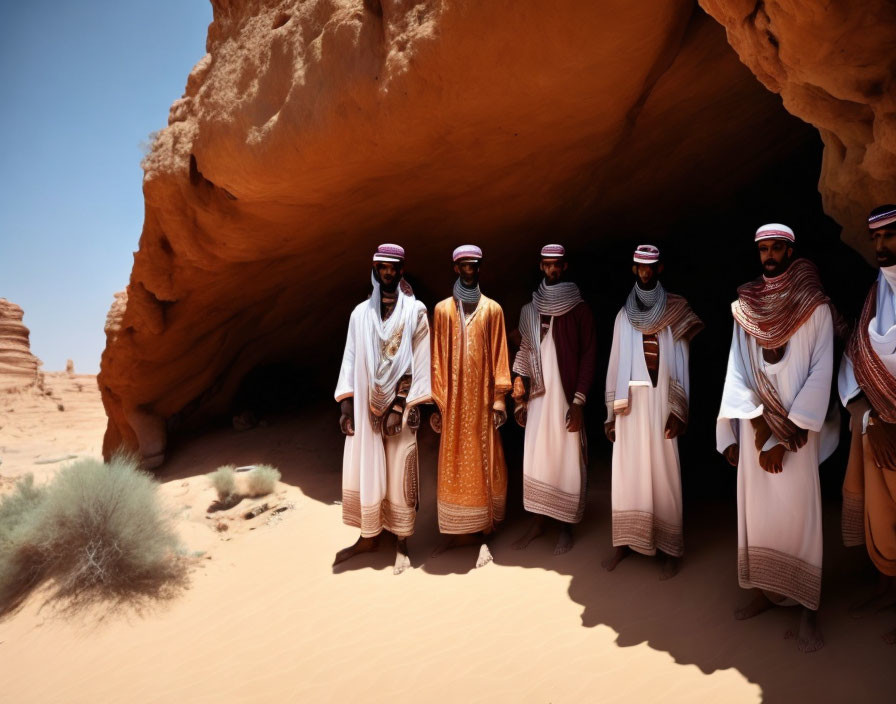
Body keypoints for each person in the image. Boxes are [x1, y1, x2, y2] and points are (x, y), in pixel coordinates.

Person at [716, 223, 838, 652]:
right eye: (763, 249)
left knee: (801, 517)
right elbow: (736, 370)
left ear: (790, 251)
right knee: (757, 515)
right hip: (755, 432)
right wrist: (752, 426)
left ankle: (807, 607)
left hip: (796, 439)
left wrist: (784, 433)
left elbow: (821, 372)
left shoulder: (816, 306)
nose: (768, 256)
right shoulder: (745, 307)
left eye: (776, 249)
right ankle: (765, 593)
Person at [602, 244, 703, 579]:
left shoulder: (676, 309)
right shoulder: (623, 315)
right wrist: (610, 414)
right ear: (634, 270)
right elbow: (615, 361)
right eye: (639, 268)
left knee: (665, 472)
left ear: (659, 270)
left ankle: (670, 548)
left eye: (651, 268)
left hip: (662, 402)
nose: (645, 273)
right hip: (629, 404)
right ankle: (626, 542)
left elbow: (684, 362)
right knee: (628, 472)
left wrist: (679, 409)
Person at [334, 244, 431, 575]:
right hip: (365, 408)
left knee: (399, 470)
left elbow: (421, 362)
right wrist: (347, 407)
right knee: (368, 470)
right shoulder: (360, 315)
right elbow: (349, 359)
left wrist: (400, 405)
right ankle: (369, 536)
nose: (388, 273)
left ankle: (402, 540)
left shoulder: (416, 312)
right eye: (382, 268)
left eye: (394, 268)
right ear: (375, 270)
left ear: (402, 271)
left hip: (400, 411)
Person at [511, 244, 597, 555]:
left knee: (565, 459)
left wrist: (578, 402)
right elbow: (523, 355)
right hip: (537, 399)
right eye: (547, 265)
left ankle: (565, 527)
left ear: (565, 266)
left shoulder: (579, 310)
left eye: (557, 265)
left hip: (565, 398)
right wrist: (519, 399)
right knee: (537, 458)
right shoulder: (529, 310)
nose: (553, 270)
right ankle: (538, 522)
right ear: (541, 267)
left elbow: (589, 356)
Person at [430, 245, 512, 567]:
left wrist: (499, 400)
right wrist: (438, 404)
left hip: (481, 404)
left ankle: (482, 536)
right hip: (452, 406)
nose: (469, 270)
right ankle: (455, 533)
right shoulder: (441, 311)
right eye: (464, 265)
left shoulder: (493, 310)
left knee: (483, 463)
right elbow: (436, 358)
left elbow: (501, 355)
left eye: (474, 265)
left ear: (480, 268)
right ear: (455, 268)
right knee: (452, 465)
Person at [838, 204, 896, 643]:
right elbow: (858, 351)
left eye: (890, 235)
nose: (881, 245)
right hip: (875, 427)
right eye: (875, 238)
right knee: (882, 516)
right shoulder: (876, 294)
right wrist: (868, 412)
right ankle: (886, 587)